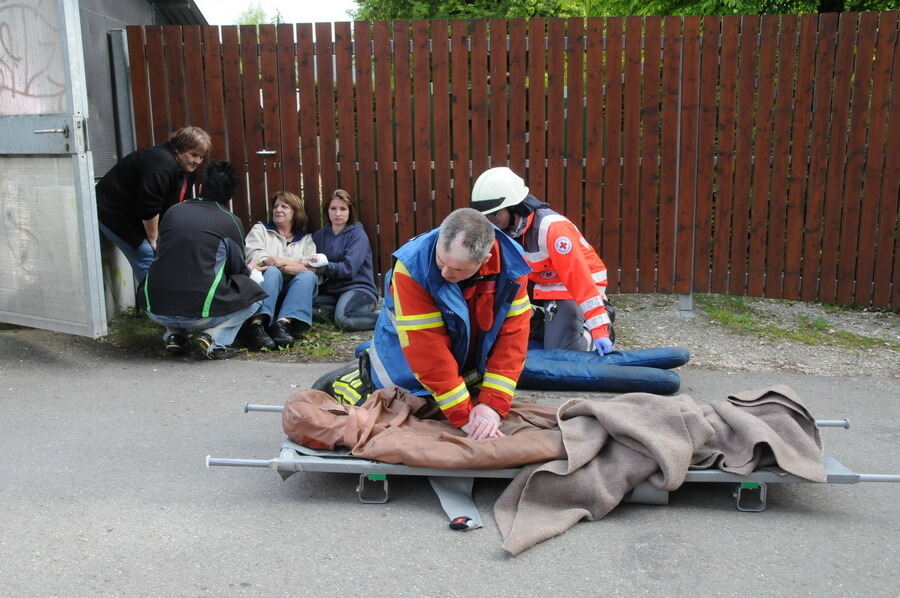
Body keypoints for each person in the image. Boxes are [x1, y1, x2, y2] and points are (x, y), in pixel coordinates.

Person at [361, 208, 533, 440]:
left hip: (459, 362)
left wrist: (492, 405)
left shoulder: (513, 267)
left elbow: (513, 339)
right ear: (440, 237)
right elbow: (426, 349)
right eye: (441, 261)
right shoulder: (412, 267)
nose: (444, 272)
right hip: (404, 362)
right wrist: (463, 415)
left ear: (485, 260)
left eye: (458, 269)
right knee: (401, 401)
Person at [470, 166, 614, 356]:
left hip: (572, 290)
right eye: (484, 216)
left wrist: (599, 329)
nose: (489, 220)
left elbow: (580, 280)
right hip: (542, 287)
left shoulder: (552, 229)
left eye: (494, 214)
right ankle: (543, 324)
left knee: (562, 354)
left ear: (514, 207)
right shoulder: (503, 228)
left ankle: (602, 322)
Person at [136, 160, 266, 360]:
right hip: (201, 314)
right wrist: (252, 272)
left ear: (200, 187)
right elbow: (237, 268)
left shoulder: (173, 211)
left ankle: (174, 335)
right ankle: (214, 338)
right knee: (256, 292)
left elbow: (161, 252)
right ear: (230, 195)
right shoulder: (230, 221)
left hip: (156, 307)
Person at [95, 126, 211, 282]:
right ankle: (155, 302)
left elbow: (180, 204)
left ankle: (165, 298)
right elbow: (149, 208)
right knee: (148, 255)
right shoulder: (160, 165)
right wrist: (154, 240)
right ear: (178, 149)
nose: (197, 161)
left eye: (201, 157)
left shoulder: (186, 169)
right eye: (193, 155)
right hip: (112, 213)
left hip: (138, 214)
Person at [241, 191, 318, 350]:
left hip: (293, 292)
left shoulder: (305, 240)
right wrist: (293, 266)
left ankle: (283, 325)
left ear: (295, 211)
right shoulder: (261, 230)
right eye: (276, 206)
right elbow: (258, 259)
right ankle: (256, 326)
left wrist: (279, 261)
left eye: (284, 206)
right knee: (273, 272)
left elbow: (311, 268)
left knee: (308, 276)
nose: (278, 209)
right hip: (265, 288)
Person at [311, 189, 379, 330]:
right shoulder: (319, 236)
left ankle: (391, 321)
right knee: (305, 306)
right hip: (332, 292)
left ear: (350, 211)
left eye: (343, 209)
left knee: (344, 319)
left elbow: (349, 269)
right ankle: (343, 311)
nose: (338, 213)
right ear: (327, 211)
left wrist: (322, 267)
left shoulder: (357, 235)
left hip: (358, 289)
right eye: (333, 208)